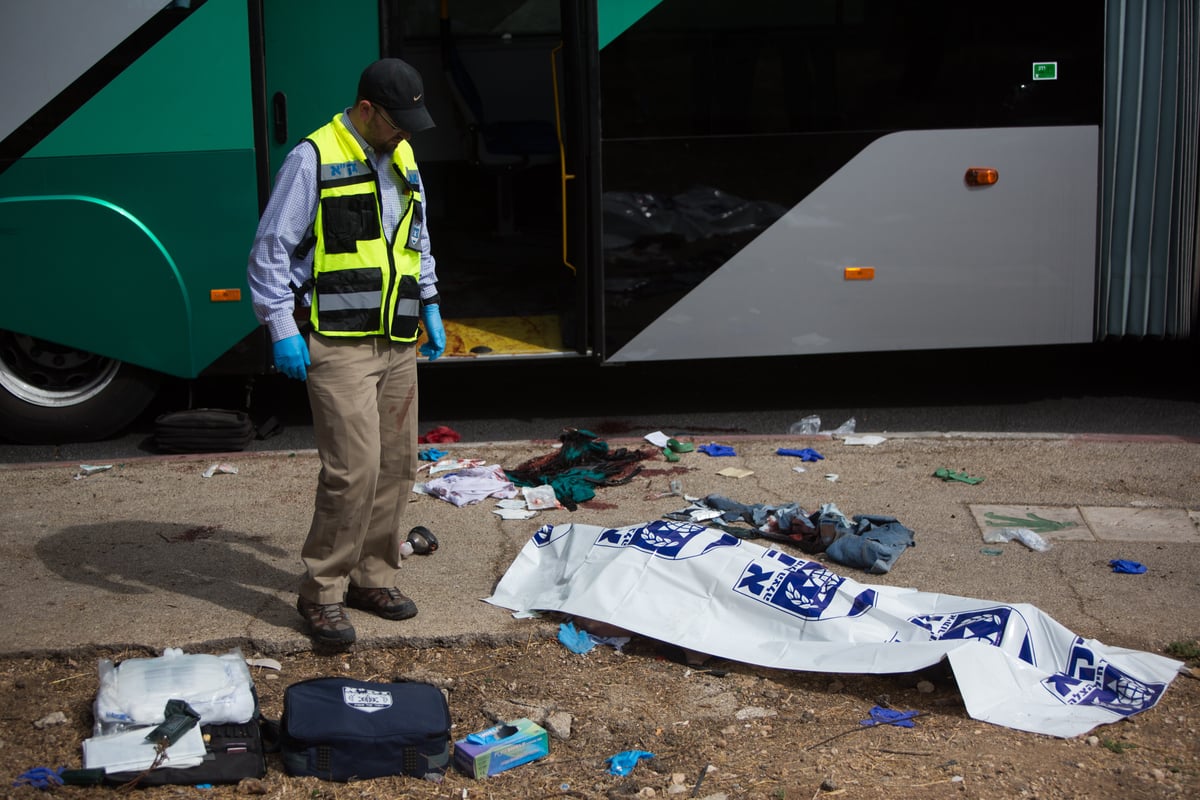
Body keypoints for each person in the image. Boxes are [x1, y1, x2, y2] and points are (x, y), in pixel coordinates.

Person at [247, 58, 446, 645]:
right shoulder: (312, 158)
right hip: (339, 343)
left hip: (398, 337)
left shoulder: (403, 156)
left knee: (396, 467)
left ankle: (372, 576)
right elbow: (270, 251)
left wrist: (430, 300)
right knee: (352, 471)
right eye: (397, 121)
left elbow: (418, 237)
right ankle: (322, 591)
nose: (406, 131)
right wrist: (280, 326)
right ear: (366, 111)